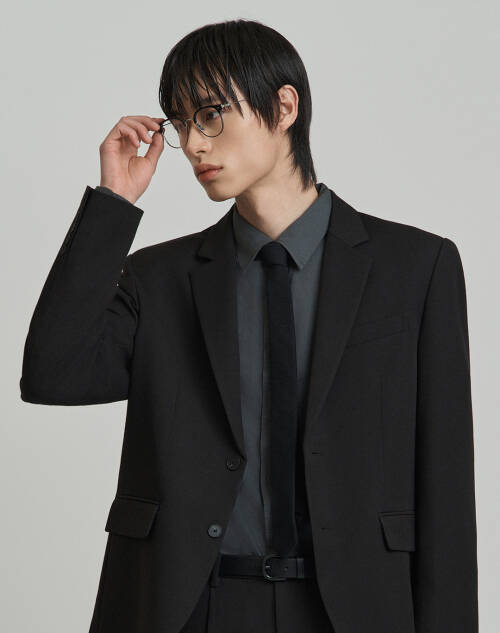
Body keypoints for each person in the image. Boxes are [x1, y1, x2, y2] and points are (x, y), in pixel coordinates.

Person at [20, 18, 478, 633]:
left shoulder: (417, 268)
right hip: (191, 608)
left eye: (210, 115)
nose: (194, 144)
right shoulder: (160, 278)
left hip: (354, 608)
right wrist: (113, 205)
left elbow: (446, 487)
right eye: (181, 123)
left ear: (284, 107)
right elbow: (52, 374)